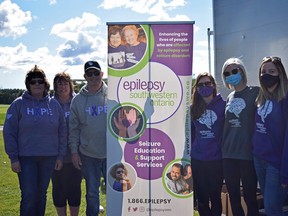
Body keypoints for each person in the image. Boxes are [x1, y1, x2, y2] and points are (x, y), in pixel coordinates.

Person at [3, 65, 67, 216]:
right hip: (26, 159)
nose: (37, 84)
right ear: (28, 84)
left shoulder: (54, 104)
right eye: (33, 82)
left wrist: (60, 156)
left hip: (49, 157)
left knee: (41, 195)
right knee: (29, 196)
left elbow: (62, 131)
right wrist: (13, 158)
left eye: (40, 81)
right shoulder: (18, 104)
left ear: (45, 84)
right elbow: (9, 132)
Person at [221, 57, 260, 216]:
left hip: (247, 155)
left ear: (242, 71)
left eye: (235, 71)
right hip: (228, 155)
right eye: (227, 73)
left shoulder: (256, 92)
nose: (231, 74)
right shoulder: (230, 97)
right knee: (234, 199)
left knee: (251, 198)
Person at [69, 60, 107, 216]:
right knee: (92, 192)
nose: (93, 76)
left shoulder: (113, 94)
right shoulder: (77, 100)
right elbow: (73, 129)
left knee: (117, 191)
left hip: (112, 154)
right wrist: (74, 152)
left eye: (96, 73)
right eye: (89, 74)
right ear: (85, 76)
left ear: (102, 74)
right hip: (88, 154)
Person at [252, 56, 288, 215]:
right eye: (263, 71)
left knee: (273, 208)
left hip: (276, 163)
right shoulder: (261, 98)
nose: (266, 74)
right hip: (259, 159)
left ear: (280, 74)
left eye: (272, 71)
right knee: (269, 206)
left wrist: (285, 172)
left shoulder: (285, 99)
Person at [190, 72, 225, 216]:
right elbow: (190, 134)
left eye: (207, 83)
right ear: (196, 88)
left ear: (213, 85)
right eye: (200, 85)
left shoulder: (223, 106)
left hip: (217, 160)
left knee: (215, 197)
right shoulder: (192, 108)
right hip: (198, 160)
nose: (204, 87)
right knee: (202, 199)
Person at [51, 72, 82, 216]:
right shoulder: (50, 103)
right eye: (59, 84)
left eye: (64, 83)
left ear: (70, 85)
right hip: (56, 154)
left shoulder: (79, 101)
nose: (62, 87)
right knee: (59, 188)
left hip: (77, 153)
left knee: (75, 188)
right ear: (55, 87)